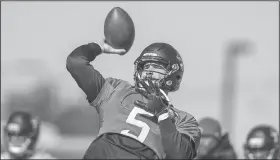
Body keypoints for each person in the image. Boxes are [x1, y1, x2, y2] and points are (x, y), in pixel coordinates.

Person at [66, 40, 201, 159]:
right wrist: (98, 47)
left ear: (174, 75)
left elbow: (180, 154)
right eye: (146, 67)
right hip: (103, 151)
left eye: (157, 67)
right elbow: (75, 63)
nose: (149, 71)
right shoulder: (116, 89)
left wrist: (162, 114)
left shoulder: (184, 119)